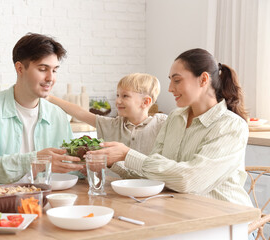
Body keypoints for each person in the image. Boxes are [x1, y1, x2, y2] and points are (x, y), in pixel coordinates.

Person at [89, 48, 253, 209]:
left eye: (177, 80)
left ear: (203, 80)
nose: (170, 88)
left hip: (228, 221)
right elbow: (152, 175)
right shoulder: (175, 118)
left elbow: (189, 180)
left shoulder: (231, 126)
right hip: (182, 213)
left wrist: (127, 154)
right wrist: (113, 161)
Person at [0, 33, 83, 185]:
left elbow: (69, 169)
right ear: (20, 68)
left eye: (54, 70)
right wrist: (34, 162)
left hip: (48, 201)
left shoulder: (57, 115)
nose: (50, 78)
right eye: (42, 69)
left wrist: (85, 165)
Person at [47, 73, 167, 178]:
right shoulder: (112, 124)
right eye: (117, 95)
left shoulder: (162, 124)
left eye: (125, 96)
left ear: (145, 102)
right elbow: (80, 112)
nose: (118, 101)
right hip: (115, 192)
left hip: (152, 190)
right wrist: (49, 97)